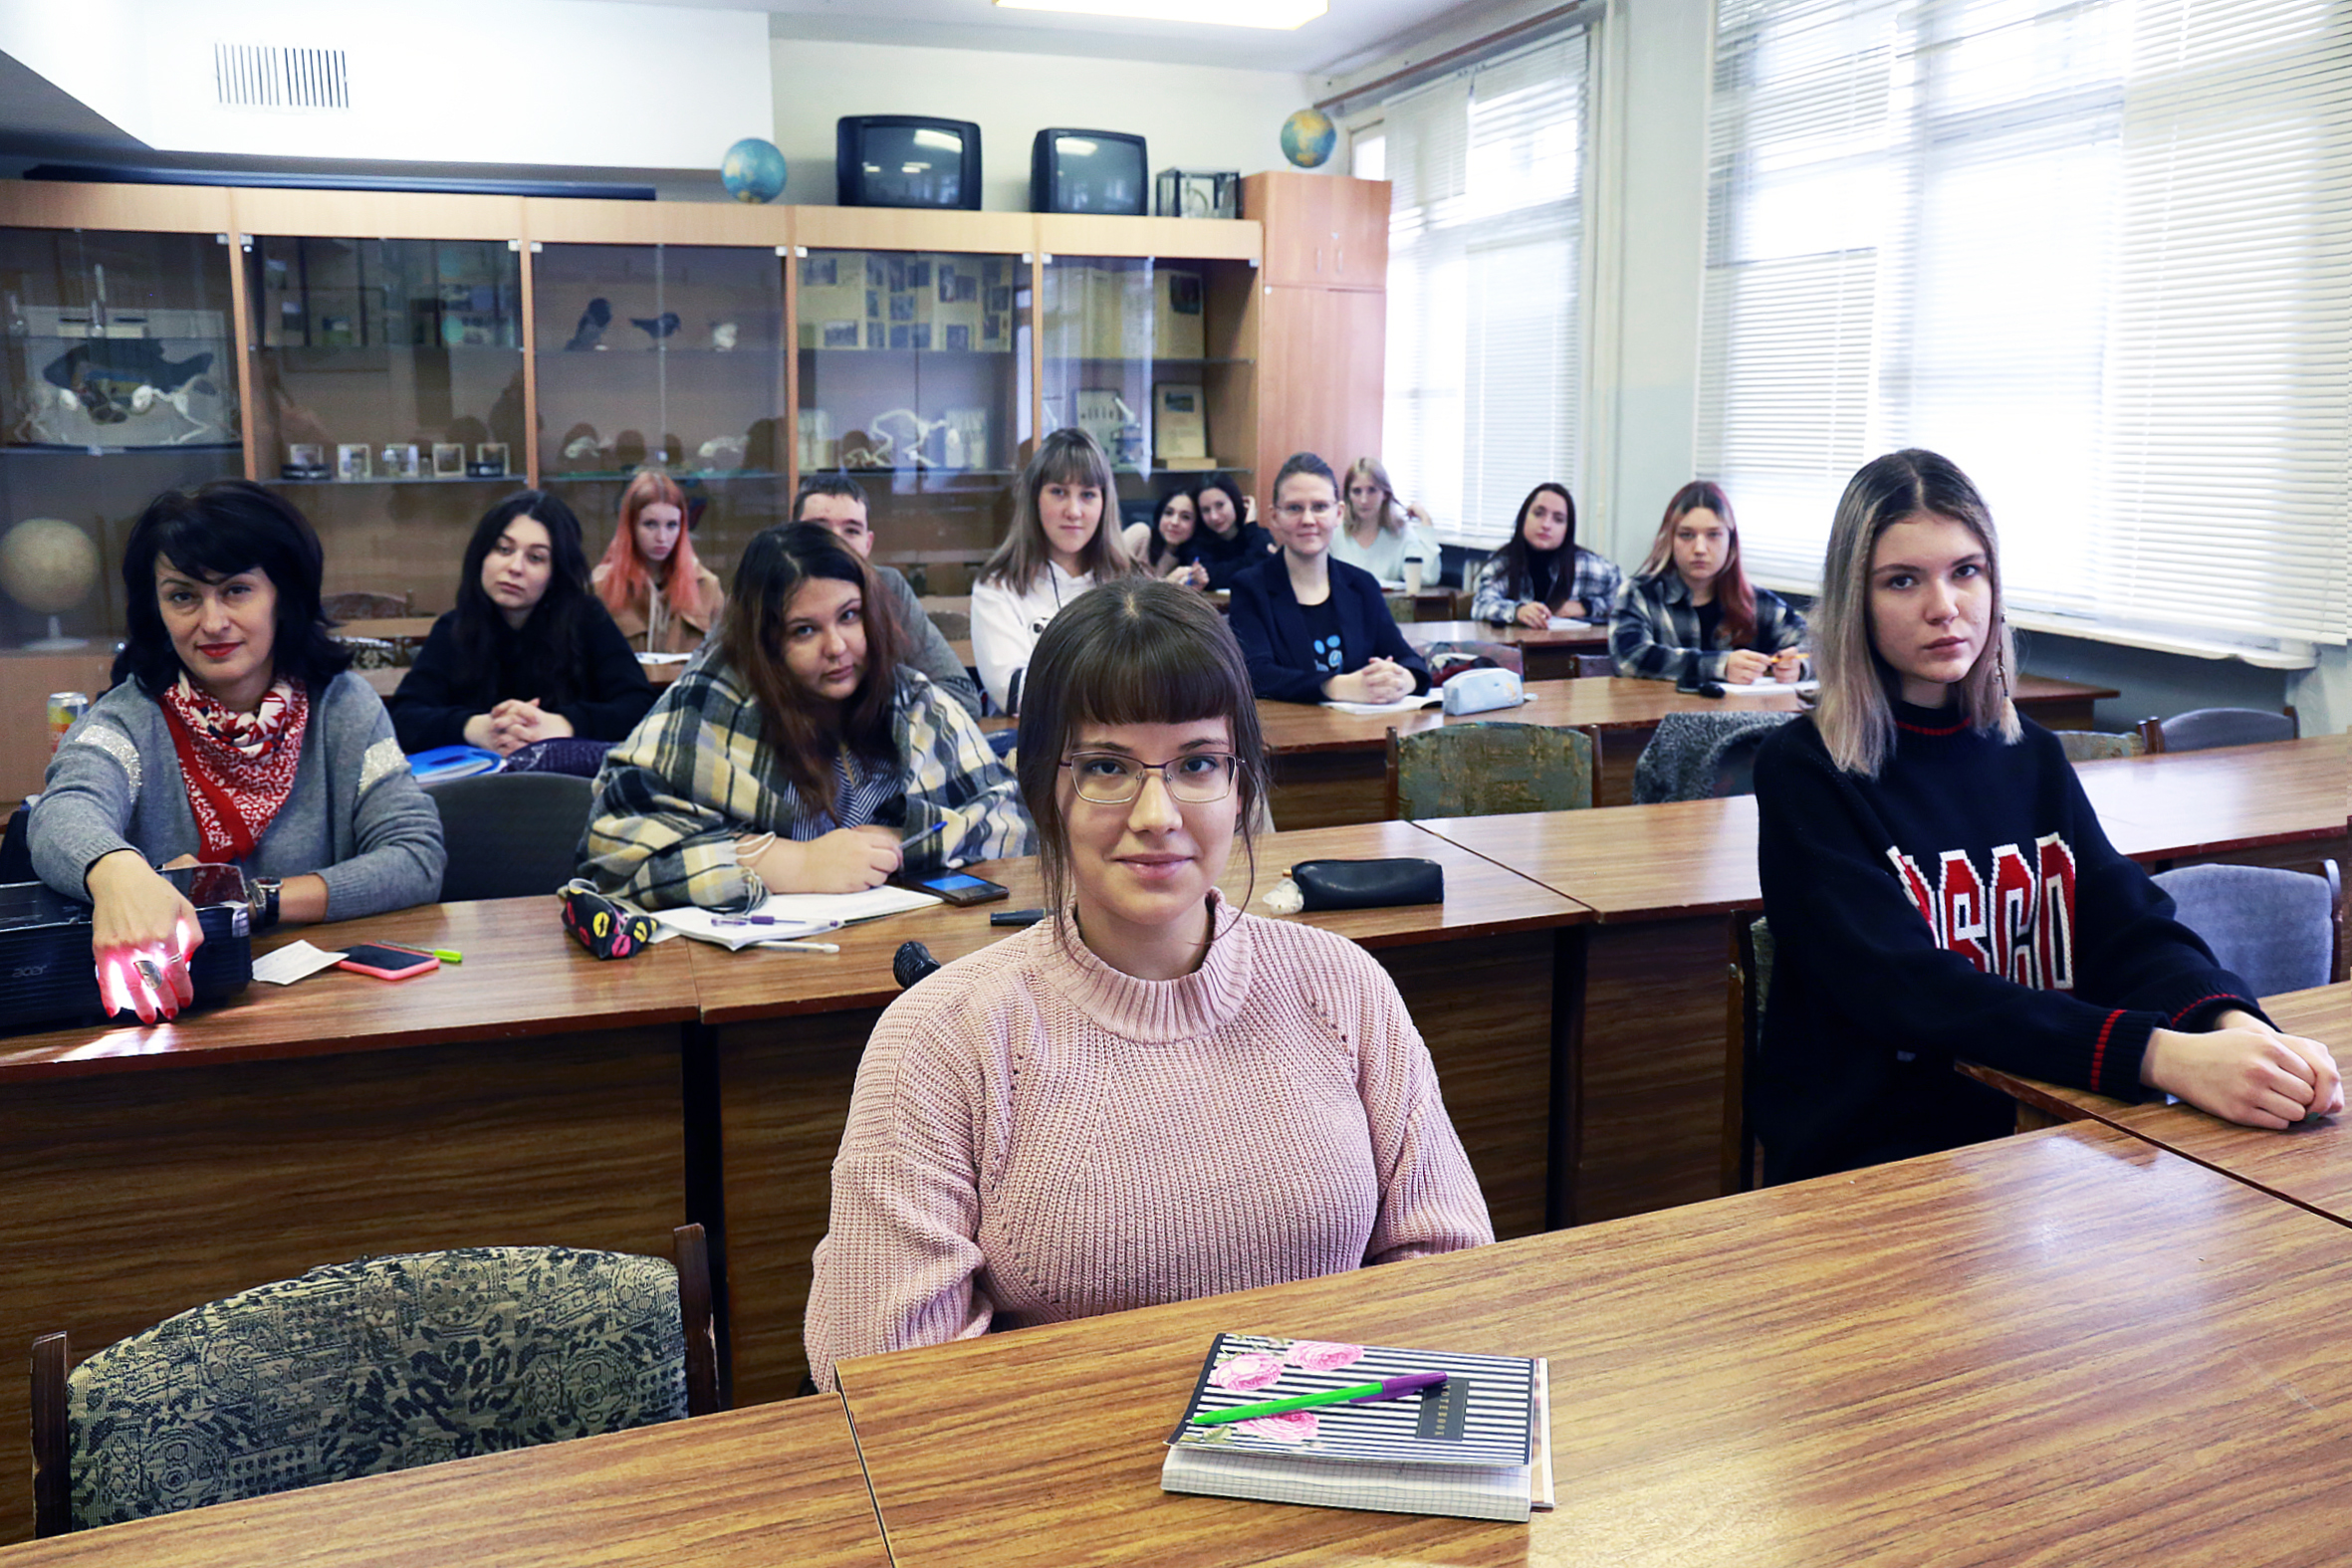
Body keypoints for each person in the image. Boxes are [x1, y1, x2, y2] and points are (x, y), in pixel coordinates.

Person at [803, 578, 1493, 1388]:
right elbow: (885, 1374)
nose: (1157, 810)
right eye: (1106, 765)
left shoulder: (1343, 989)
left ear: (1242, 786)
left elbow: (1448, 1278)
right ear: (1043, 791)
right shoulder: (941, 1038)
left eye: (1198, 761)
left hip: (1331, 1472)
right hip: (1063, 1494)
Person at [1752, 449, 2340, 1183]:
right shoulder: (1806, 770)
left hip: (2044, 1143)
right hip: (1873, 1160)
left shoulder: (2029, 753)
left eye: (1966, 570)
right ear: (1855, 602)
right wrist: (2160, 1056)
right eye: (1903, 580)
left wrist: (2232, 1026)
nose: (1945, 605)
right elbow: (1907, 988)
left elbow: (2127, 924)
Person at [30, 481, 444, 1023]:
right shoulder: (130, 717)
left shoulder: (343, 708)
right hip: (175, 1013)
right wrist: (119, 874)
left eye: (236, 590)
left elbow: (415, 856)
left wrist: (251, 899)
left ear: (283, 595)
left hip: (333, 1010)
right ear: (156, 610)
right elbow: (61, 814)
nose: (213, 622)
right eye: (182, 596)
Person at [581, 523, 1032, 910]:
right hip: (752, 973)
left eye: (849, 616)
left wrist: (900, 845)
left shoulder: (908, 699)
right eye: (805, 630)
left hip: (900, 949)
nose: (836, 647)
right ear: (765, 640)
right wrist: (787, 864)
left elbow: (1006, 821)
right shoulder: (714, 699)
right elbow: (611, 851)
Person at [387, 491, 656, 757]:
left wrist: (562, 724)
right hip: (475, 790)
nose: (515, 567)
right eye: (504, 549)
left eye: (536, 557)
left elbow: (641, 708)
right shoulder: (454, 627)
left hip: (568, 787)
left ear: (555, 573)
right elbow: (403, 717)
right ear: (481, 555)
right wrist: (476, 728)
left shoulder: (587, 619)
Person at [1228, 452, 1433, 705]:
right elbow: (1256, 675)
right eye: (1294, 508)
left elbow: (1408, 659)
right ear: (1274, 516)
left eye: (1320, 507)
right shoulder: (1250, 587)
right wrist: (1340, 686)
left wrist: (1402, 680)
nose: (1308, 520)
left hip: (1363, 734)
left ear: (1339, 513)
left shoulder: (1362, 585)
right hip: (1291, 736)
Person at [970, 428, 1141, 714]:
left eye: (1087, 494)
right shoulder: (997, 586)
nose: (1073, 511)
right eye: (1059, 492)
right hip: (1035, 747)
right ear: (1034, 499)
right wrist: (1120, 685)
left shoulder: (1134, 579)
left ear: (1104, 503)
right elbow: (1013, 692)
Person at [793, 474, 983, 720]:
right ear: (792, 535)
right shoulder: (768, 589)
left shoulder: (889, 587)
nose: (835, 542)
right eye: (819, 529)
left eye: (851, 530)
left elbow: (963, 698)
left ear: (868, 543)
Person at [1611, 481, 1807, 685]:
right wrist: (1719, 666)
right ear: (1670, 540)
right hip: (1662, 714)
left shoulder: (1757, 601)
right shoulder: (1639, 594)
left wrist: (1798, 666)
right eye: (1686, 535)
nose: (1700, 548)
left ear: (1730, 542)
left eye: (1713, 535)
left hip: (1740, 715)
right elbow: (1629, 658)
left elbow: (1819, 647)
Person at [589, 467, 724, 654]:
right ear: (631, 526)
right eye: (650, 524)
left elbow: (724, 657)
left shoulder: (707, 586)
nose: (662, 537)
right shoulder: (600, 587)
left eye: (672, 525)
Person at [1472, 481, 1624, 628]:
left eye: (1558, 519)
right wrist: (1518, 611)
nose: (1546, 525)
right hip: (1514, 650)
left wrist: (1588, 606)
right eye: (1538, 514)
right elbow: (1480, 605)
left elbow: (1630, 599)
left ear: (1567, 530)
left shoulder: (1588, 566)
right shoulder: (1503, 563)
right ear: (1523, 518)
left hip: (1566, 650)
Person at [1331, 457, 1438, 585]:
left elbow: (1427, 577)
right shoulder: (1334, 535)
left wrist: (1425, 521)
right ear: (1348, 496)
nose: (1364, 500)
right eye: (1357, 491)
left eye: (1372, 490)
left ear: (1385, 494)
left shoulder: (1401, 534)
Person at [1187, 471, 1276, 591]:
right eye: (1206, 510)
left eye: (1220, 505)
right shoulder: (1195, 545)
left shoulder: (1257, 535)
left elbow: (1264, 573)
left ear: (1234, 501)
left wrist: (1251, 525)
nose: (1214, 516)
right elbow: (1216, 578)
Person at [1120, 486, 1210, 588]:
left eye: (1185, 517)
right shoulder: (1141, 534)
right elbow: (1107, 583)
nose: (1174, 522)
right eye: (1168, 513)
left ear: (1196, 525)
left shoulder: (1182, 562)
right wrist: (1169, 582)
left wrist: (1194, 589)